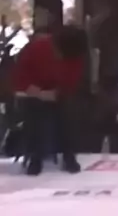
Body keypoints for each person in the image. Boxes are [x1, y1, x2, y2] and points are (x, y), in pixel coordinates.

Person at [12, 25, 88, 175]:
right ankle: (35, 157)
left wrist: (57, 92)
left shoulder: (74, 55)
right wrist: (35, 91)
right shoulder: (37, 48)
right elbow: (20, 75)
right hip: (32, 91)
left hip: (57, 92)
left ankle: (69, 154)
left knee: (68, 112)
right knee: (35, 114)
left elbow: (72, 81)